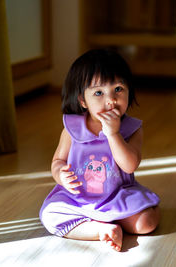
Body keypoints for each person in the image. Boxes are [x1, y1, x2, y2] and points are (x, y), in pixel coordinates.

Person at [39, 49, 160, 252]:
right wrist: (60, 174)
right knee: (50, 215)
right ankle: (101, 229)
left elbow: (129, 165)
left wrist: (113, 134)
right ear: (82, 100)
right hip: (77, 198)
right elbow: (57, 160)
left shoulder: (132, 129)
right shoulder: (72, 128)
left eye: (119, 89)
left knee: (146, 223)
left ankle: (111, 219)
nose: (111, 99)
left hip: (118, 194)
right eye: (98, 93)